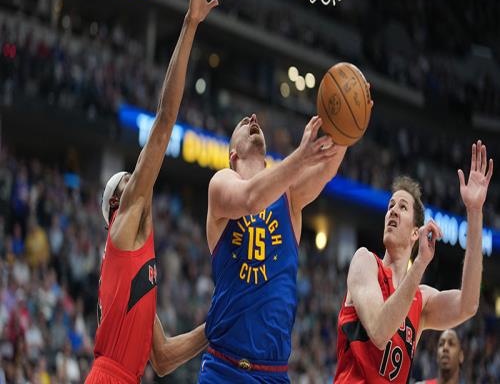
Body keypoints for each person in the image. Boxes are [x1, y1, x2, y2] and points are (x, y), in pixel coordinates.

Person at [85, 0, 218, 383]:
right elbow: (164, 123)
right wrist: (190, 23)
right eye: (130, 179)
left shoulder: (135, 273)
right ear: (117, 203)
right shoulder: (125, 223)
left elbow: (161, 358)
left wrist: (216, 326)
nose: (141, 180)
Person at [198, 113, 348, 383]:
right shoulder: (221, 183)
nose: (252, 118)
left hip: (273, 373)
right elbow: (250, 199)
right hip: (223, 368)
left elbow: (327, 167)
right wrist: (300, 158)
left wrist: (349, 123)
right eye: (242, 122)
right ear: (233, 155)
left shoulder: (289, 194)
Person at [334, 140, 493, 383]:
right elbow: (379, 332)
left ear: (414, 233)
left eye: (402, 207)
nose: (393, 211)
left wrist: (474, 212)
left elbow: (468, 304)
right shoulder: (365, 262)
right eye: (390, 206)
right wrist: (419, 264)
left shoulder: (421, 300)